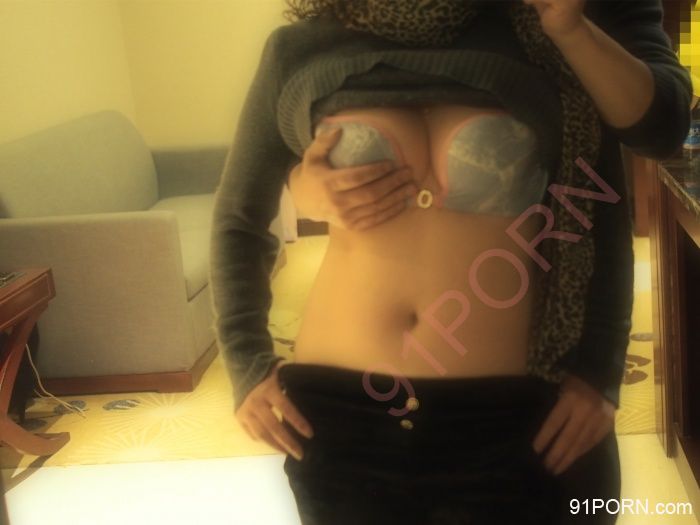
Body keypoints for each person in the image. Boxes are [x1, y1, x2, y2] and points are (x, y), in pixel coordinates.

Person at [209, 1, 692, 523]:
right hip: (342, 417)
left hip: (518, 415)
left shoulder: (545, 38)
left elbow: (595, 206)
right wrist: (246, 362)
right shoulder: (300, 49)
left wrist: (598, 370)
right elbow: (239, 217)